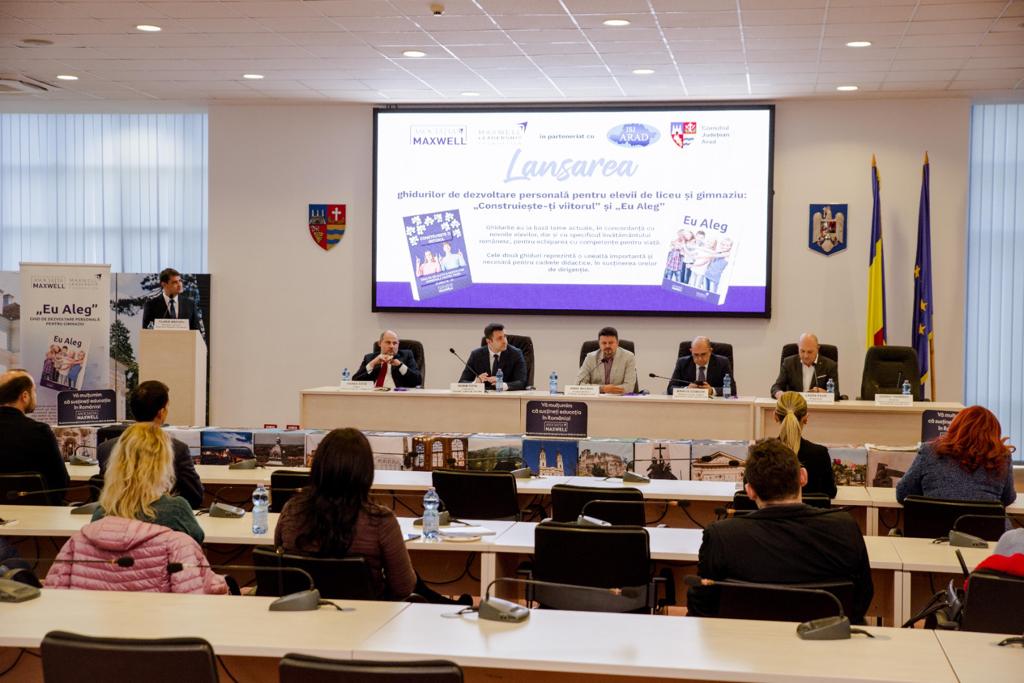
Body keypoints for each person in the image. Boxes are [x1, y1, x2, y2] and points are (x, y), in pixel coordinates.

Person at [687, 439, 873, 623]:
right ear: (803, 477)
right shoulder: (845, 528)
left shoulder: (721, 536)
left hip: (744, 640)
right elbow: (861, 599)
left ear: (749, 491)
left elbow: (701, 607)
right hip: (826, 639)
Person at [275, 428, 416, 600]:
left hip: (302, 610)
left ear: (318, 466)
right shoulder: (381, 521)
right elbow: (403, 588)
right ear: (366, 472)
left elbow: (278, 562)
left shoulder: (292, 510)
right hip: (368, 614)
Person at [92, 422, 206, 544]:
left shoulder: (103, 512)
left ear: (117, 462)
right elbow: (196, 540)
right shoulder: (177, 510)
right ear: (164, 464)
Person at [96, 381, 204, 509]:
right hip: (163, 517)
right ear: (161, 412)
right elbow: (195, 497)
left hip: (118, 514)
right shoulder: (178, 449)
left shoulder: (106, 448)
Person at [896, 406, 1016, 506]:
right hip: (987, 527)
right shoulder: (1001, 457)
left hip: (936, 525)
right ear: (994, 433)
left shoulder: (930, 451)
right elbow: (1008, 498)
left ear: (955, 427)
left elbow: (903, 494)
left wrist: (931, 492)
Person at [0, 370, 69, 504]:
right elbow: (61, 482)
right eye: (34, 391)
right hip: (37, 510)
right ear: (25, 396)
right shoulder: (39, 431)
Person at [774, 392, 837, 498]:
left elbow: (748, 489)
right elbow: (830, 492)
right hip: (811, 510)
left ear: (775, 416)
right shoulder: (820, 454)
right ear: (806, 418)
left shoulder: (760, 454)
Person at [458, 323, 527, 391]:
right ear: (489, 341)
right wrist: (475, 383)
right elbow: (462, 382)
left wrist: (502, 385)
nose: (504, 341)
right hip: (483, 397)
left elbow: (522, 382)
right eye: (499, 338)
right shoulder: (476, 355)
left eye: (505, 336)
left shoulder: (515, 354)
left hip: (506, 396)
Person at [771, 333, 839, 398]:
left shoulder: (830, 365)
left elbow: (836, 394)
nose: (806, 356)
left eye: (810, 352)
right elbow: (776, 387)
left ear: (817, 348)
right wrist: (780, 394)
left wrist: (825, 394)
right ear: (798, 347)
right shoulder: (788, 363)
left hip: (818, 405)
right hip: (794, 405)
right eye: (802, 351)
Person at [667, 336, 737, 397]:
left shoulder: (722, 362)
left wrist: (712, 391)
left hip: (714, 404)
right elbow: (670, 388)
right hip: (689, 403)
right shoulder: (682, 363)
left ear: (710, 351)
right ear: (691, 351)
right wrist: (687, 389)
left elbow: (732, 389)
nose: (699, 359)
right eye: (696, 355)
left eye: (703, 354)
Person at [352, 330, 422, 389]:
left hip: (396, 396)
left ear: (398, 345)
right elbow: (355, 380)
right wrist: (372, 364)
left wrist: (400, 365)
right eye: (388, 342)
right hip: (374, 395)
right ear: (380, 343)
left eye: (395, 343)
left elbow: (418, 381)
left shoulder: (406, 356)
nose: (392, 346)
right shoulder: (369, 358)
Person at [576, 326, 637, 394]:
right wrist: (602, 389)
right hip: (596, 399)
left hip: (619, 399)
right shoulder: (590, 358)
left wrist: (610, 390)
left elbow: (629, 387)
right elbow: (578, 384)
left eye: (611, 343)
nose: (607, 346)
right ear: (599, 344)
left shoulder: (628, 357)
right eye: (604, 343)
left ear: (617, 343)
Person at [141, 267, 203, 331]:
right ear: (164, 284)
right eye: (175, 282)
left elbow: (197, 332)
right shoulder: (151, 305)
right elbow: (146, 332)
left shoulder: (190, 304)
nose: (179, 285)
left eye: (180, 281)